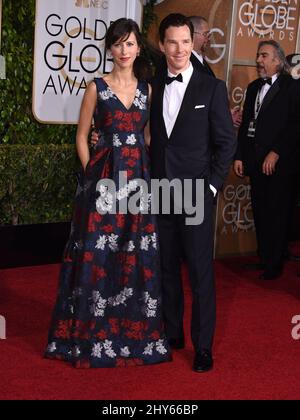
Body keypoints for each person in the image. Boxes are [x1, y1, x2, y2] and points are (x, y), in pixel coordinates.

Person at [45, 18, 171, 368]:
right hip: (103, 183)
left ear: (137, 48)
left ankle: (133, 333)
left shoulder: (148, 90)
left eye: (129, 44)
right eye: (118, 44)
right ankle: (92, 332)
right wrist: (90, 173)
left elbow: (147, 138)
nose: (124, 51)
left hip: (139, 184)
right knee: (99, 255)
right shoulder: (95, 88)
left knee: (134, 254)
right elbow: (82, 135)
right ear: (109, 49)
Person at [150, 14, 236, 372]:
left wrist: (212, 187)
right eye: (172, 42)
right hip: (160, 190)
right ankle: (173, 332)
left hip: (197, 194)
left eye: (186, 41)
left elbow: (226, 143)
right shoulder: (152, 86)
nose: (180, 49)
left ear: (193, 42)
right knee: (166, 268)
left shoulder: (211, 87)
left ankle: (203, 347)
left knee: (200, 274)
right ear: (162, 46)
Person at [234, 41, 299, 280]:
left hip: (281, 164)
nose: (258, 60)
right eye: (258, 55)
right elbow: (246, 126)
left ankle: (274, 263)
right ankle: (265, 257)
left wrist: (276, 152)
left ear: (278, 61)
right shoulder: (253, 88)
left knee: (277, 213)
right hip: (255, 161)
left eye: (264, 56)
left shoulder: (292, 87)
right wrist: (240, 155)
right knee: (260, 210)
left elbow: (295, 125)